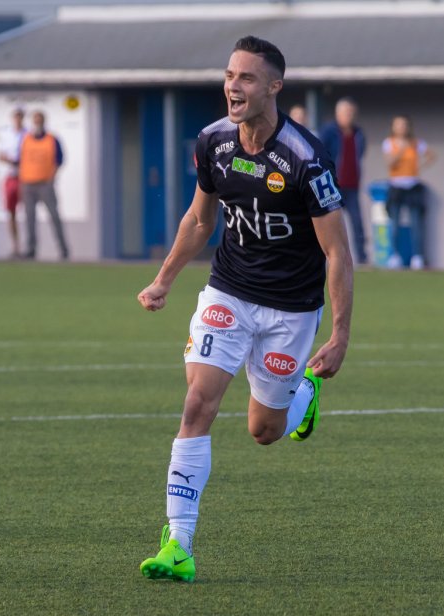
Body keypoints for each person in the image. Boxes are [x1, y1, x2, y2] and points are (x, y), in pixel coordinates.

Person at [135, 36, 353, 582]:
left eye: (247, 78)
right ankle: (178, 543)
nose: (233, 86)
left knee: (264, 430)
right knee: (197, 404)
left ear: (274, 87)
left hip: (291, 310)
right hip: (228, 293)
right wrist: (163, 280)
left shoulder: (306, 159)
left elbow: (337, 252)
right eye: (230, 75)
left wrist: (339, 335)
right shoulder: (213, 141)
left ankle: (303, 392)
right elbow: (199, 220)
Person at [319, 98, 368, 264]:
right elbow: (321, 154)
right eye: (346, 112)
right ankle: (326, 257)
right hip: (333, 186)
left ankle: (362, 258)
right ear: (337, 113)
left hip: (352, 186)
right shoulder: (328, 132)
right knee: (329, 223)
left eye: (352, 112)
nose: (349, 115)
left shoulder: (358, 133)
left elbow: (360, 154)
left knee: (357, 222)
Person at [383, 115, 435, 270]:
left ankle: (417, 257)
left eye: (404, 125)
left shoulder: (416, 143)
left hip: (412, 186)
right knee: (394, 223)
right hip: (396, 186)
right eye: (398, 125)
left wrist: (419, 168)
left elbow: (431, 156)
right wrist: (402, 150)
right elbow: (389, 162)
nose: (402, 128)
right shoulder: (389, 143)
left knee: (416, 223)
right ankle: (394, 256)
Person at [18, 110, 68, 260]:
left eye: (39, 120)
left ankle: (63, 249)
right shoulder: (26, 139)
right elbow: (20, 159)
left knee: (54, 216)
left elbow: (59, 160)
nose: (37, 123)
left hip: (45, 184)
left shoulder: (52, 139)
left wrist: (51, 177)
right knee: (29, 218)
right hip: (28, 184)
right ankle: (31, 249)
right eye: (35, 120)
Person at [0, 107, 26, 258]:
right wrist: (10, 161)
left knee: (28, 211)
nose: (17, 119)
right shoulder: (7, 134)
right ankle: (16, 245)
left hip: (25, 177)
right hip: (10, 176)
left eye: (20, 116)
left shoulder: (27, 134)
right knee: (11, 212)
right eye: (15, 116)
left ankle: (29, 245)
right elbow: (0, 155)